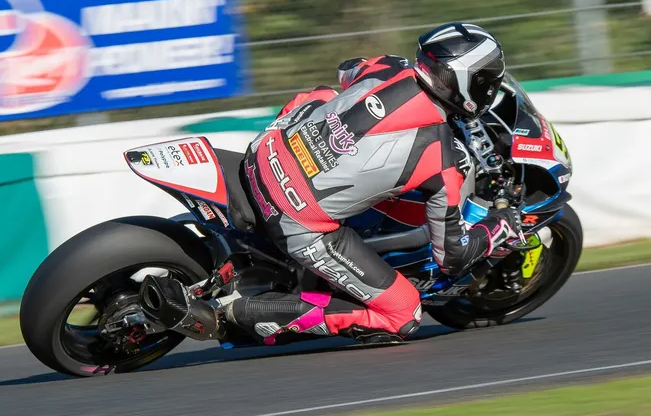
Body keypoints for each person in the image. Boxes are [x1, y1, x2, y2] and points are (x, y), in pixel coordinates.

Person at [149, 23, 523, 345]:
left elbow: (348, 69)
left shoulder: (390, 66)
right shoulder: (441, 161)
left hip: (265, 151)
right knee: (404, 314)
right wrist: (496, 229)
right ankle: (228, 314)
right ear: (469, 84)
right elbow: (451, 258)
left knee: (325, 95)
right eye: (487, 80)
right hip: (295, 217)